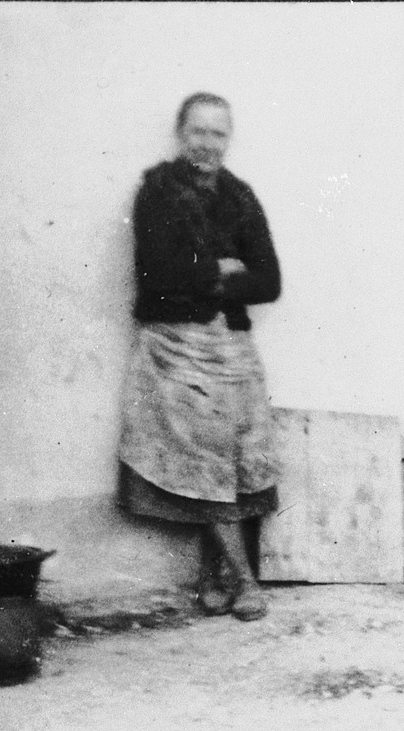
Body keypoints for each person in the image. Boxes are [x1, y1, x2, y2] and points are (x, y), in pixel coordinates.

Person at [119, 92, 281, 622]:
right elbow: (157, 274)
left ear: (228, 138)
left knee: (237, 457)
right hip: (177, 345)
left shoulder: (240, 195)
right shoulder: (157, 192)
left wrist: (212, 274)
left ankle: (215, 575)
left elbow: (270, 281)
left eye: (218, 133)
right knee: (203, 457)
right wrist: (225, 271)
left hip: (231, 344)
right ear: (180, 133)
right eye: (199, 132)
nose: (208, 144)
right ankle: (246, 580)